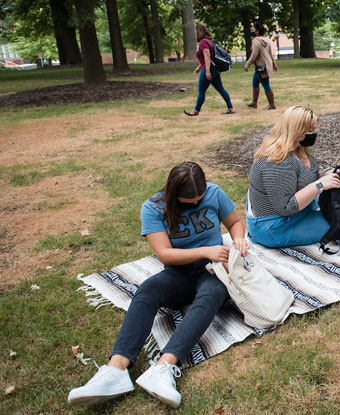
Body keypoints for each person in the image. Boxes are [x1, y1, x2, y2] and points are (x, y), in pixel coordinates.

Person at [68, 162, 248, 408]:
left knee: (212, 293)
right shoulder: (153, 208)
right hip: (179, 273)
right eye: (188, 201)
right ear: (174, 194)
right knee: (147, 289)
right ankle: (115, 370)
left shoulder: (215, 193)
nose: (196, 203)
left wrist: (238, 240)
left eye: (200, 198)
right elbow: (164, 254)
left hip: (212, 269)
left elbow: (235, 223)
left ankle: (164, 367)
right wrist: (206, 250)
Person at [246, 106, 340, 248]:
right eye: (310, 130)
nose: (314, 134)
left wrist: (325, 173)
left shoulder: (298, 149)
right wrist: (320, 185)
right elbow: (286, 207)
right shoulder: (277, 161)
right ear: (296, 130)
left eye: (314, 129)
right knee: (339, 225)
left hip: (294, 215)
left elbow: (308, 175)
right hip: (274, 227)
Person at [184, 23, 234, 116]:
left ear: (199, 32)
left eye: (196, 32)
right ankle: (230, 108)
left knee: (201, 91)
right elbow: (206, 57)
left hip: (209, 70)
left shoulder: (203, 42)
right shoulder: (209, 41)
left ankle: (196, 111)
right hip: (214, 69)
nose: (195, 34)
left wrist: (206, 71)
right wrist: (199, 67)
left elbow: (207, 56)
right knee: (221, 89)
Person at [244, 21, 278, 110]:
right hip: (265, 65)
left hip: (262, 67)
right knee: (255, 82)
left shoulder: (256, 41)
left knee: (266, 85)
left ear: (257, 31)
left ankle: (272, 104)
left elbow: (254, 55)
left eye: (253, 28)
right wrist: (274, 64)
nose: (252, 29)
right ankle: (254, 103)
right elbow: (271, 53)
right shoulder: (266, 40)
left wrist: (247, 64)